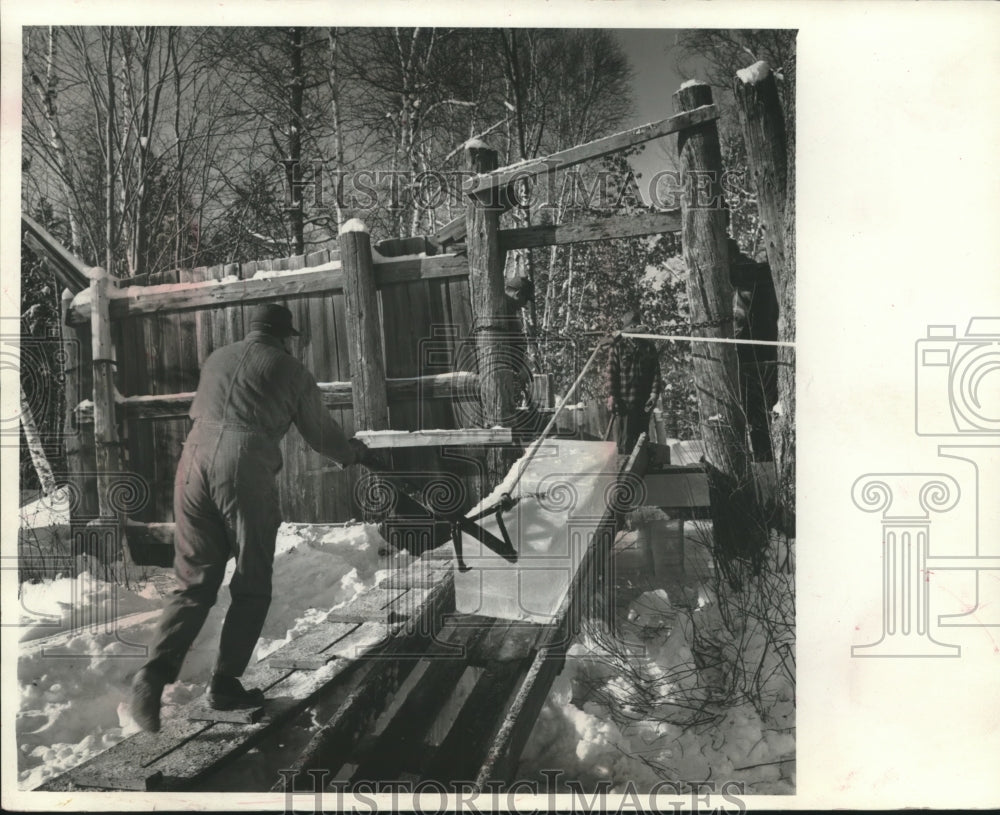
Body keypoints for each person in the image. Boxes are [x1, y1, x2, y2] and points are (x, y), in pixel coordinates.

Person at [130, 303, 371, 732]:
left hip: (192, 460)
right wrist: (351, 453)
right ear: (284, 337)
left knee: (194, 582)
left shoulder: (218, 357)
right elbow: (320, 434)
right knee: (251, 579)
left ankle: (152, 675)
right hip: (242, 464)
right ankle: (224, 684)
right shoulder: (291, 370)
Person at [606, 311, 664, 455]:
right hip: (624, 404)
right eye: (631, 327)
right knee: (625, 442)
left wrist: (654, 394)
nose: (634, 330)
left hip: (643, 403)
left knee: (642, 441)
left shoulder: (649, 348)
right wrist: (612, 396)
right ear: (626, 329)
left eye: (636, 327)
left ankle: (640, 472)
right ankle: (624, 473)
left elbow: (656, 373)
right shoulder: (617, 347)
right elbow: (611, 373)